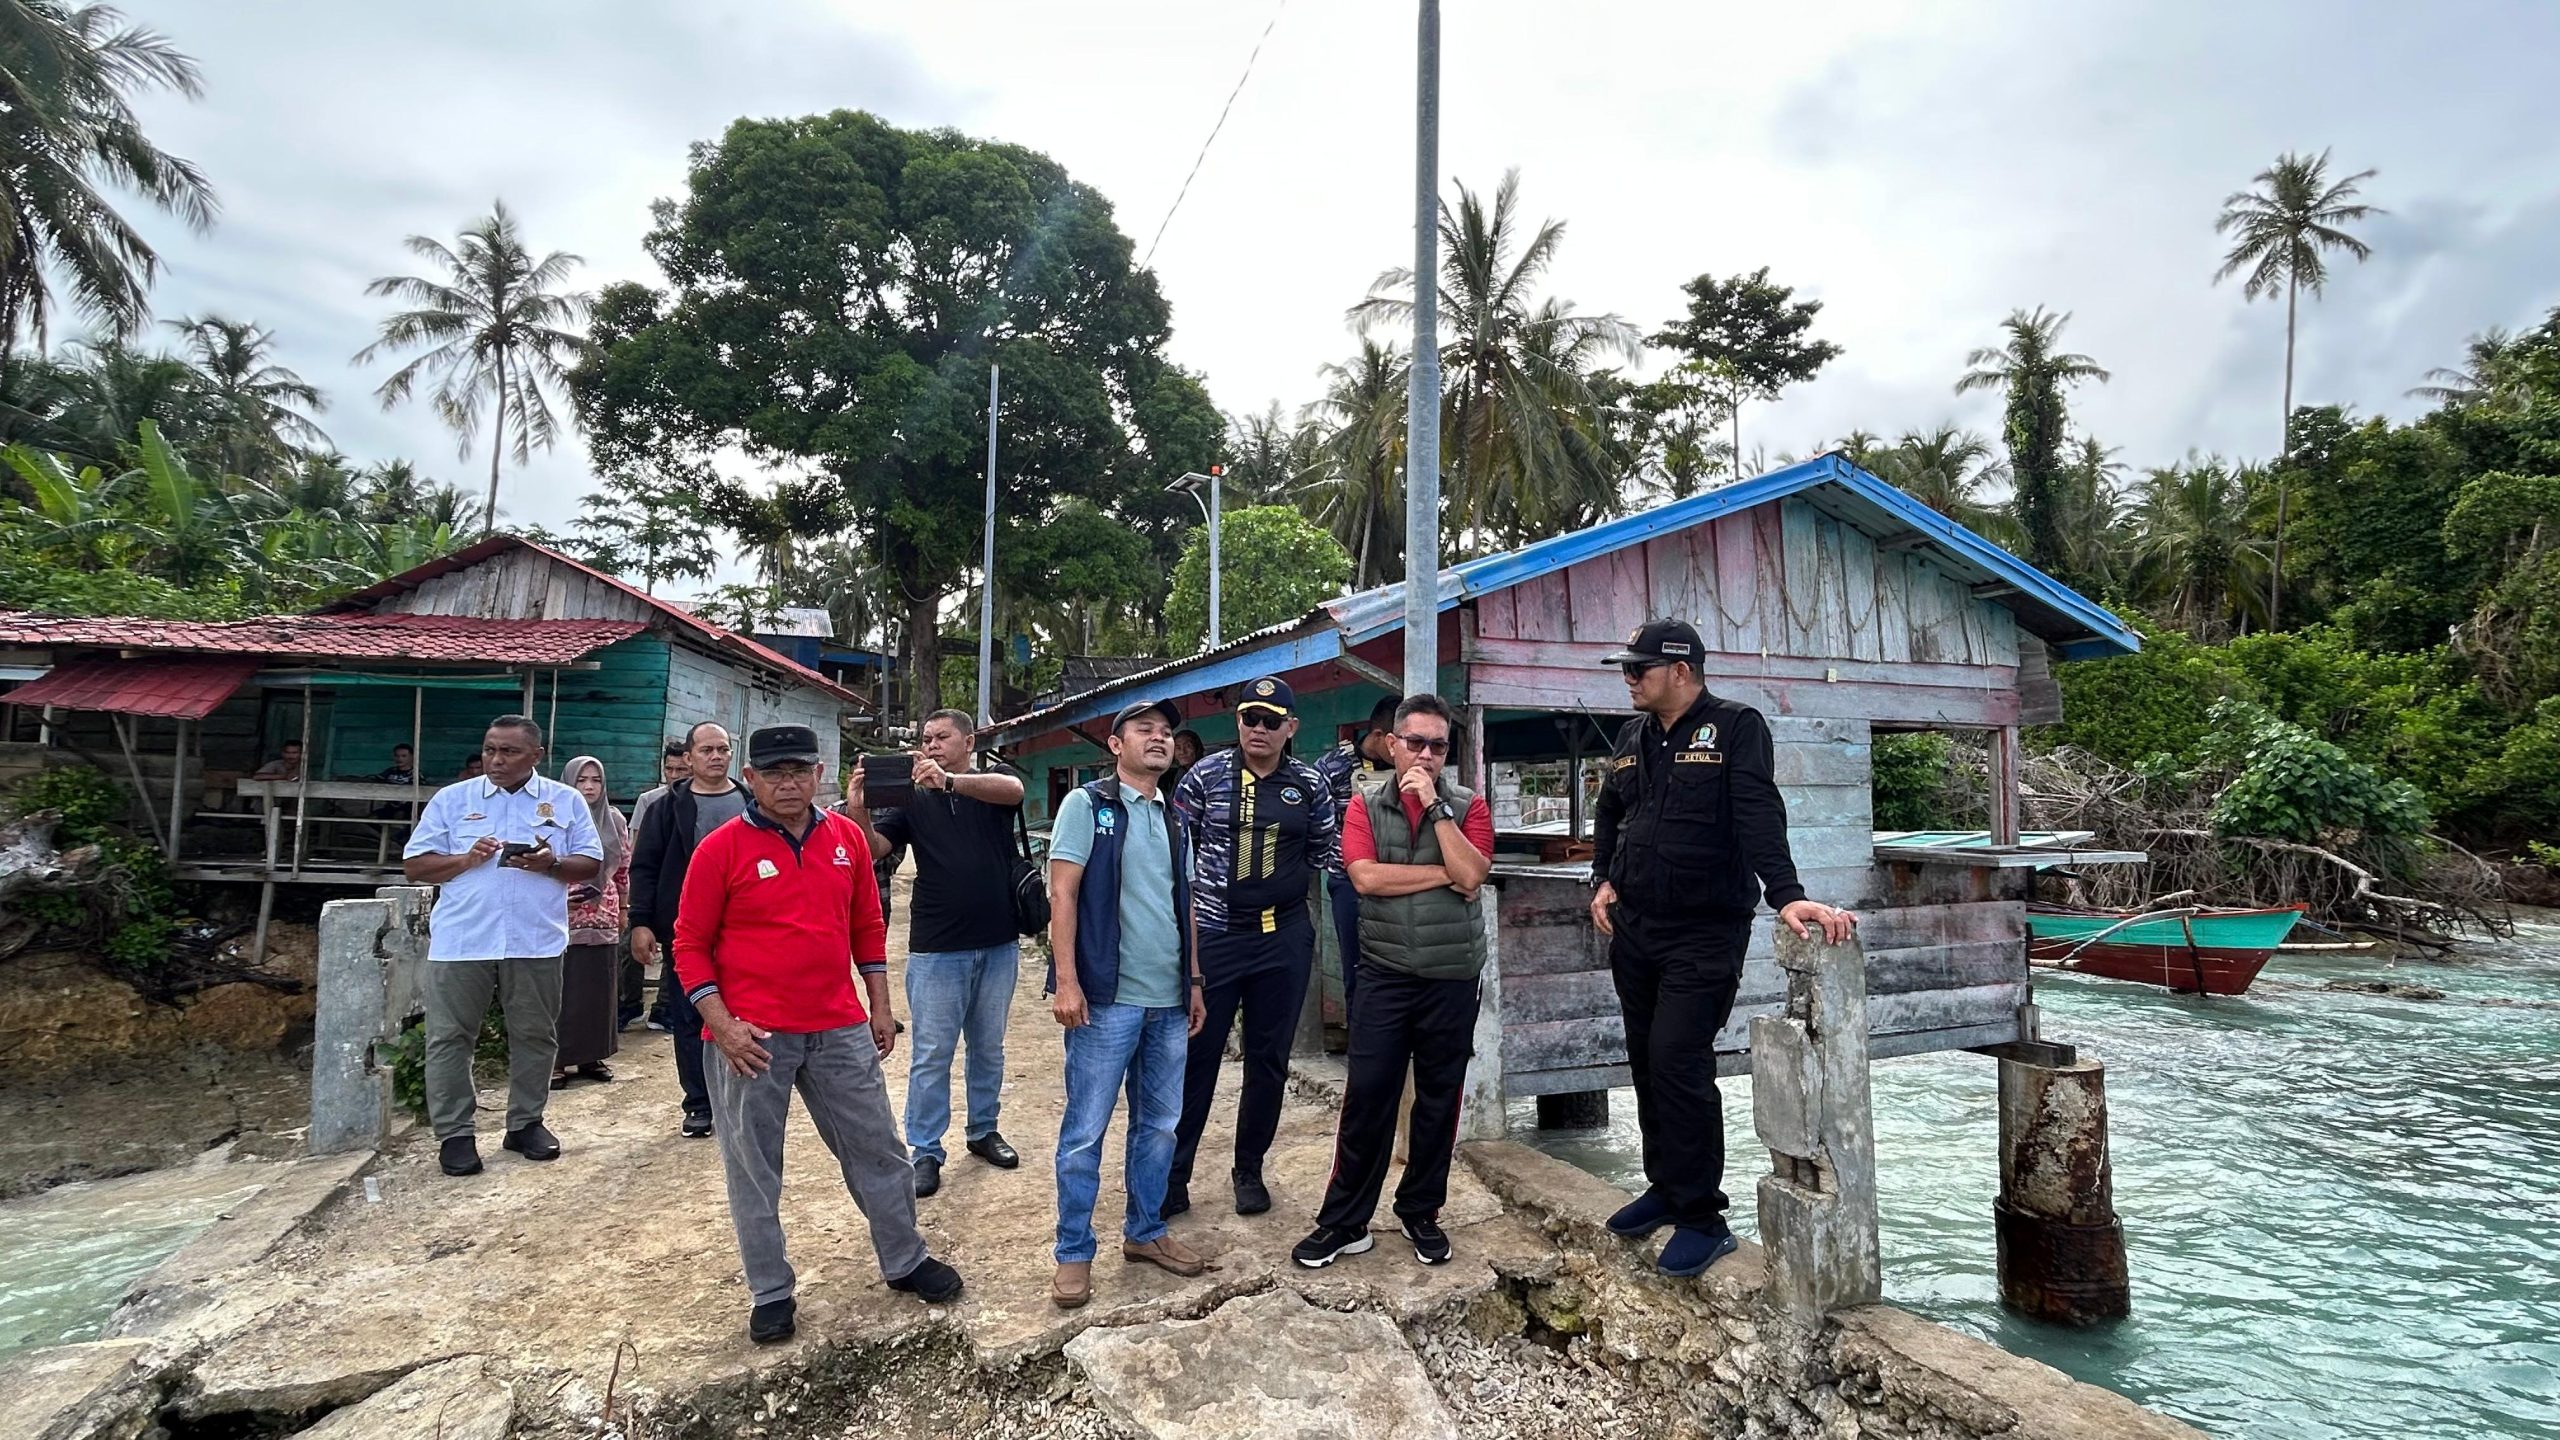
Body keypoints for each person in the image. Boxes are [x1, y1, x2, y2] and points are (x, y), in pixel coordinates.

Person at [673, 724, 964, 1343]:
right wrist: (722, 1026)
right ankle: (771, 1290)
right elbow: (689, 946)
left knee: (878, 1147)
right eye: (774, 773)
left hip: (838, 1024)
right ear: (750, 779)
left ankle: (904, 1258)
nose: (788, 784)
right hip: (751, 1037)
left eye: (799, 771)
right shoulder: (720, 849)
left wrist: (879, 1004)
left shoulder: (846, 839)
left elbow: (866, 923)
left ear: (819, 774)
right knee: (754, 1167)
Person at [1587, 619, 1857, 1277]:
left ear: (1681, 671)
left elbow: (1759, 812)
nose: (1628, 679)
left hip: (1704, 930)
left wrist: (1787, 894)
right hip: (1635, 926)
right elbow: (1610, 811)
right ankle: (1665, 1189)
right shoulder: (1631, 736)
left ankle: (1704, 1219)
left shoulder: (1735, 727)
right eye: (1625, 668)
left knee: (1678, 1059)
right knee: (1646, 1060)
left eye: (1638, 668)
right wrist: (1601, 878)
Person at [1295, 693, 1494, 1271]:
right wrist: (1442, 873)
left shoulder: (1469, 805)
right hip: (1384, 971)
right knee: (1368, 1096)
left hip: (1452, 974)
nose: (1426, 755)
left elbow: (1474, 874)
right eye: (1415, 743)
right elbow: (1364, 878)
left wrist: (1436, 808)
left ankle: (1421, 1212)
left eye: (1438, 747)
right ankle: (1345, 1221)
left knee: (1438, 1099)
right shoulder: (1363, 805)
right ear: (1392, 744)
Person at [1044, 698, 1209, 1309]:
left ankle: (1145, 1232)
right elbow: (1063, 894)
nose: (1159, 739)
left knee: (1159, 1127)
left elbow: (1185, 904)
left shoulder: (1175, 818)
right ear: (1116, 745)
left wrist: (1194, 982)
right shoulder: (1087, 805)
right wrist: (1067, 981)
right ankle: (1073, 1251)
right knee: (1085, 1132)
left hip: (1168, 1000)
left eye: (1166, 732)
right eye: (1144, 730)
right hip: (1106, 999)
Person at [401, 715, 603, 1178]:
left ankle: (525, 1124)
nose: (496, 760)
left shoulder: (565, 800)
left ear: (536, 756)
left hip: (534, 939)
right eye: (490, 749)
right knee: (450, 1038)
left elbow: (590, 862)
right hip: (463, 940)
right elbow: (415, 866)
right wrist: (466, 858)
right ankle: (455, 1134)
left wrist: (551, 863)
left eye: (509, 752)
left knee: (535, 1035)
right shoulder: (453, 800)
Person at [1167, 676, 1337, 1218]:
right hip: (1217, 936)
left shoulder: (1309, 785)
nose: (1258, 729)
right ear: (1237, 721)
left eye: (1271, 720)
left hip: (1282, 938)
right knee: (1197, 1058)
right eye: (1249, 718)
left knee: (1269, 1060)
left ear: (1291, 727)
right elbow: (1177, 853)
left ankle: (1249, 1170)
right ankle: (1173, 1175)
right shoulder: (1204, 776)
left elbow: (1320, 853)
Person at [844, 708, 1027, 1199]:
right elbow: (874, 848)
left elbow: (1014, 791)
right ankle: (925, 1149)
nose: (931, 746)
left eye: (942, 737)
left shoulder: (991, 783)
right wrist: (858, 806)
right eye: (926, 739)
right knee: (931, 1054)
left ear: (969, 742)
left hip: (998, 940)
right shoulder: (911, 795)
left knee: (988, 1047)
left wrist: (949, 782)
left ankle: (983, 1130)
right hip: (937, 946)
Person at [629, 722, 744, 1138]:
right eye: (707, 750)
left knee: (745, 1013)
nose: (716, 756)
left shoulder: (750, 802)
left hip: (745, 931)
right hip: (687, 931)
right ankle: (699, 1103)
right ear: (689, 757)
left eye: (723, 749)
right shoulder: (666, 808)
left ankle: (741, 1098)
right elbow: (645, 867)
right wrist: (640, 921)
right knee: (690, 1015)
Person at [1312, 694, 1400, 1016]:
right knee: (1357, 966)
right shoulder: (1333, 767)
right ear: (1378, 735)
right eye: (1395, 742)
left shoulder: (1409, 768)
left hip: (1398, 881)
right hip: (1349, 882)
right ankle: (1359, 1035)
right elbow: (1311, 821)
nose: (1402, 750)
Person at [554, 756, 630, 1086]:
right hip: (562, 914)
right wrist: (556, 898)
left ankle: (591, 1056)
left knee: (598, 990)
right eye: (581, 780)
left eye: (595, 780)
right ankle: (556, 1060)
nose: (588, 787)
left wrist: (624, 908)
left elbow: (623, 867)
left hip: (603, 914)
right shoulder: (554, 817)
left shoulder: (613, 819)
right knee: (563, 989)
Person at [629, 738, 690, 1030]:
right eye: (669, 769)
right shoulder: (651, 801)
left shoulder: (699, 801)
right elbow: (639, 849)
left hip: (685, 888)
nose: (674, 775)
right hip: (659, 886)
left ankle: (665, 1008)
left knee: (678, 952)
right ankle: (633, 1005)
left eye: (681, 770)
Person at [1166, 728, 1204, 793]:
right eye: (1178, 748)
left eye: (1188, 746)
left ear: (1197, 748)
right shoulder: (1181, 772)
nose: (1182, 752)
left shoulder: (1207, 770)